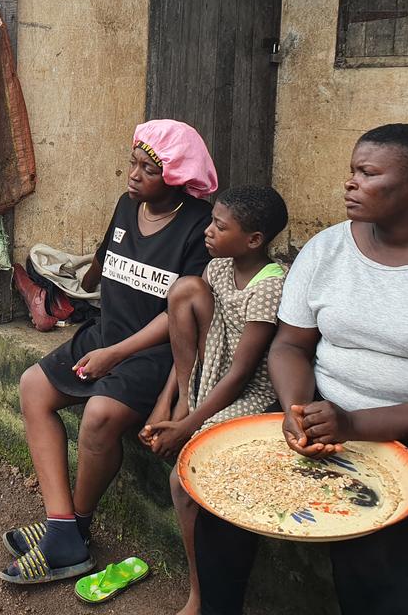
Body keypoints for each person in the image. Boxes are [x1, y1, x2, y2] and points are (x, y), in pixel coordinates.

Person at [194, 124, 408, 615]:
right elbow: (289, 347)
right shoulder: (326, 250)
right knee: (225, 498)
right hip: (326, 419)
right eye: (352, 171)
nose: (350, 183)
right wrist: (298, 410)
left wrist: (356, 425)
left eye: (368, 173)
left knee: (370, 543)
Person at [0, 120, 217, 584]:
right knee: (33, 388)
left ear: (176, 175)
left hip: (154, 352)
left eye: (149, 169)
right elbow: (102, 267)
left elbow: (179, 314)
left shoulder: (200, 227)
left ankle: (75, 528)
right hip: (106, 332)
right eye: (133, 163)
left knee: (99, 414)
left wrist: (116, 354)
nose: (134, 175)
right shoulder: (127, 206)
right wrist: (83, 281)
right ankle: (62, 525)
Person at [138, 185, 289, 615]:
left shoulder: (269, 287)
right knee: (184, 289)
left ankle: (200, 595)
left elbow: (243, 373)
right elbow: (182, 337)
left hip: (250, 394)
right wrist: (169, 404)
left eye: (219, 226)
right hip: (208, 378)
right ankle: (201, 591)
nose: (207, 231)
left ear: (254, 240)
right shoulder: (219, 267)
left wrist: (187, 426)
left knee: (181, 480)